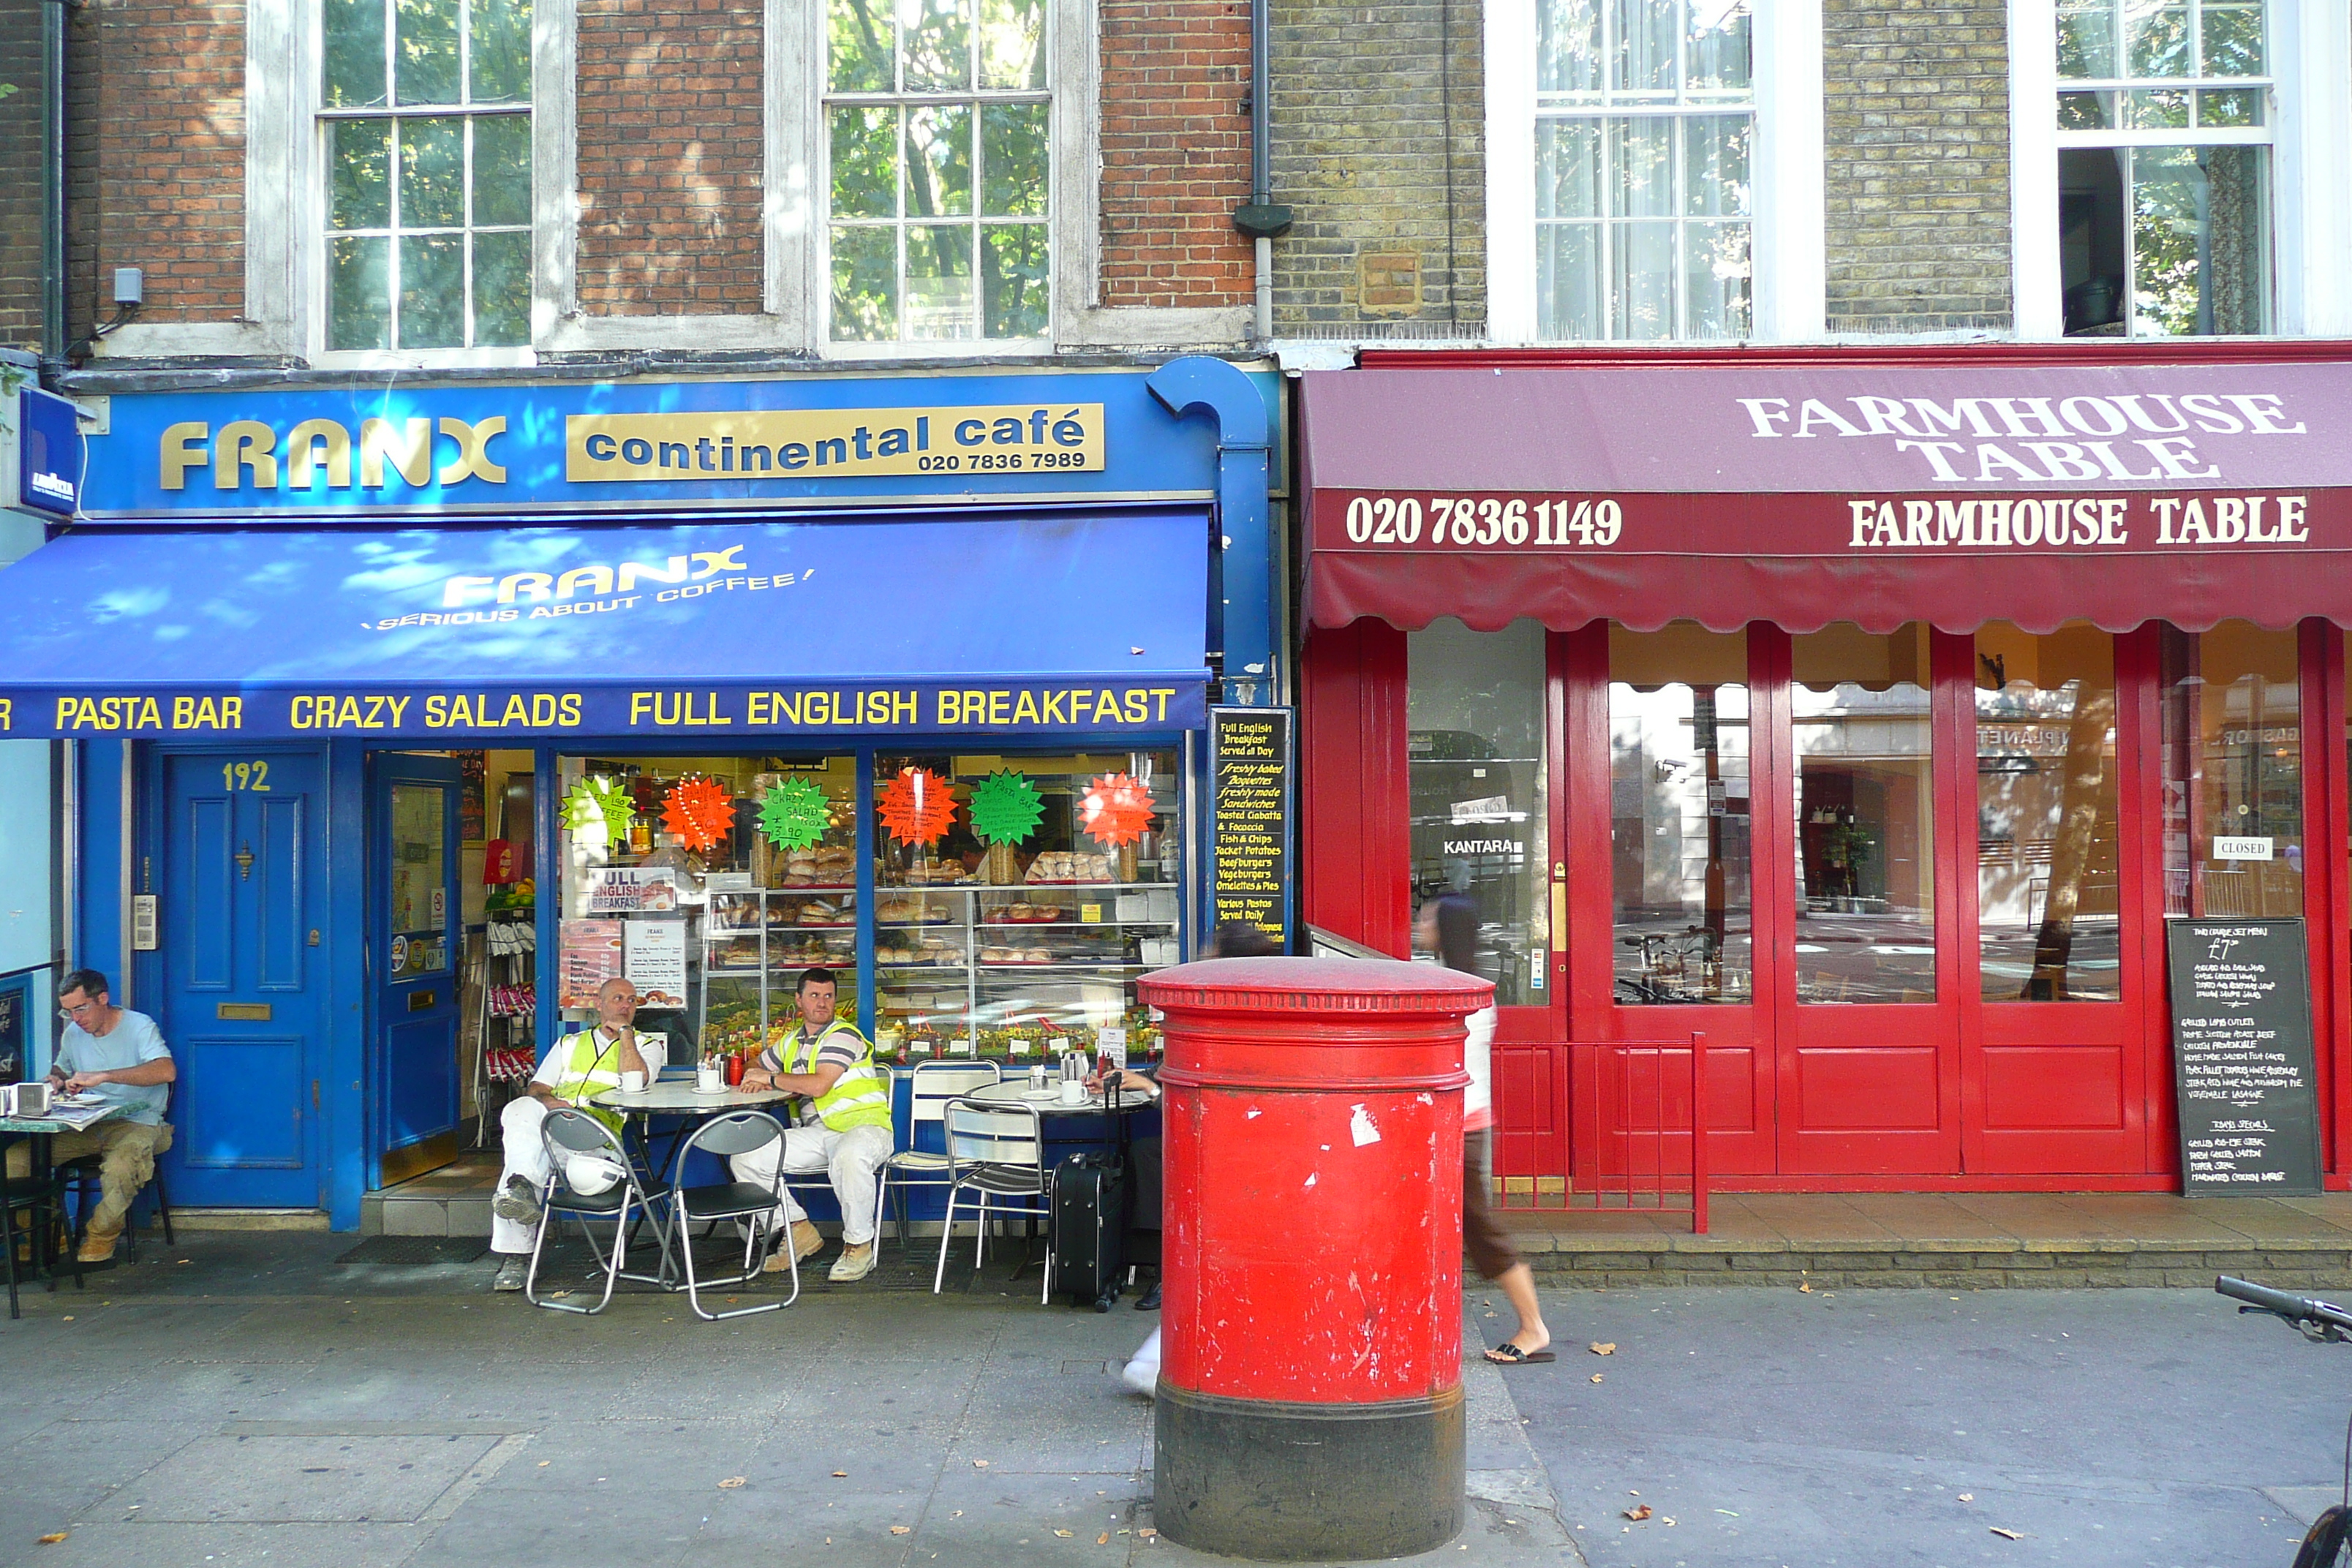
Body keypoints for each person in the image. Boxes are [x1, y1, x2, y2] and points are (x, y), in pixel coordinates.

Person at [1117, 919, 1286, 1394]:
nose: (1205, 953)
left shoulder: (1220, 1012)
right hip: (1253, 1155)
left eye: (1213, 947)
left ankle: (1158, 1360)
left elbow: (1200, 1087)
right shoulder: (1257, 1010)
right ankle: (1162, 1359)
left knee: (1217, 1259)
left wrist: (1150, 1085)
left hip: (1228, 1154)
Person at [1418, 895, 1553, 1364]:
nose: (1421, 923)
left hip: (1459, 1129)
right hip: (1447, 1126)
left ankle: (1533, 1328)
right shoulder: (1462, 986)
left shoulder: (1462, 997)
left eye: (1430, 917)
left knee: (1483, 1233)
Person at [488, 976, 663, 1292]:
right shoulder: (570, 1044)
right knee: (520, 1110)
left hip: (597, 1148)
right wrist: (552, 1102)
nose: (626, 1005)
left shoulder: (648, 1046)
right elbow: (537, 1088)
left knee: (524, 1166)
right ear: (599, 1004)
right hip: (555, 1132)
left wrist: (625, 1034)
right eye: (617, 999)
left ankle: (518, 1241)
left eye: (632, 1000)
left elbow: (638, 1080)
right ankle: (520, 1214)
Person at [729, 967, 893, 1284]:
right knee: (746, 1159)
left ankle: (859, 1246)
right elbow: (755, 1065)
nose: (822, 1003)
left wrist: (772, 1079)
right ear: (798, 1000)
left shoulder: (843, 1034)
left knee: (850, 1156)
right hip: (820, 1132)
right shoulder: (791, 1042)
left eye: (828, 996)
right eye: (814, 995)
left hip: (866, 1127)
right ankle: (797, 1229)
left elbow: (819, 1085)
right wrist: (755, 1075)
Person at [8, 969, 176, 1264]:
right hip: (87, 1122)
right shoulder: (75, 1033)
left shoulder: (139, 1026)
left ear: (103, 999)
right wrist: (56, 1080)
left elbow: (166, 1071)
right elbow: (63, 1067)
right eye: (69, 1011)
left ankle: (100, 1236)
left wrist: (106, 1076)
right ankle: (46, 1238)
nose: (76, 1019)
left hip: (138, 1121)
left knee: (122, 1167)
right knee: (16, 1161)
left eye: (81, 1009)